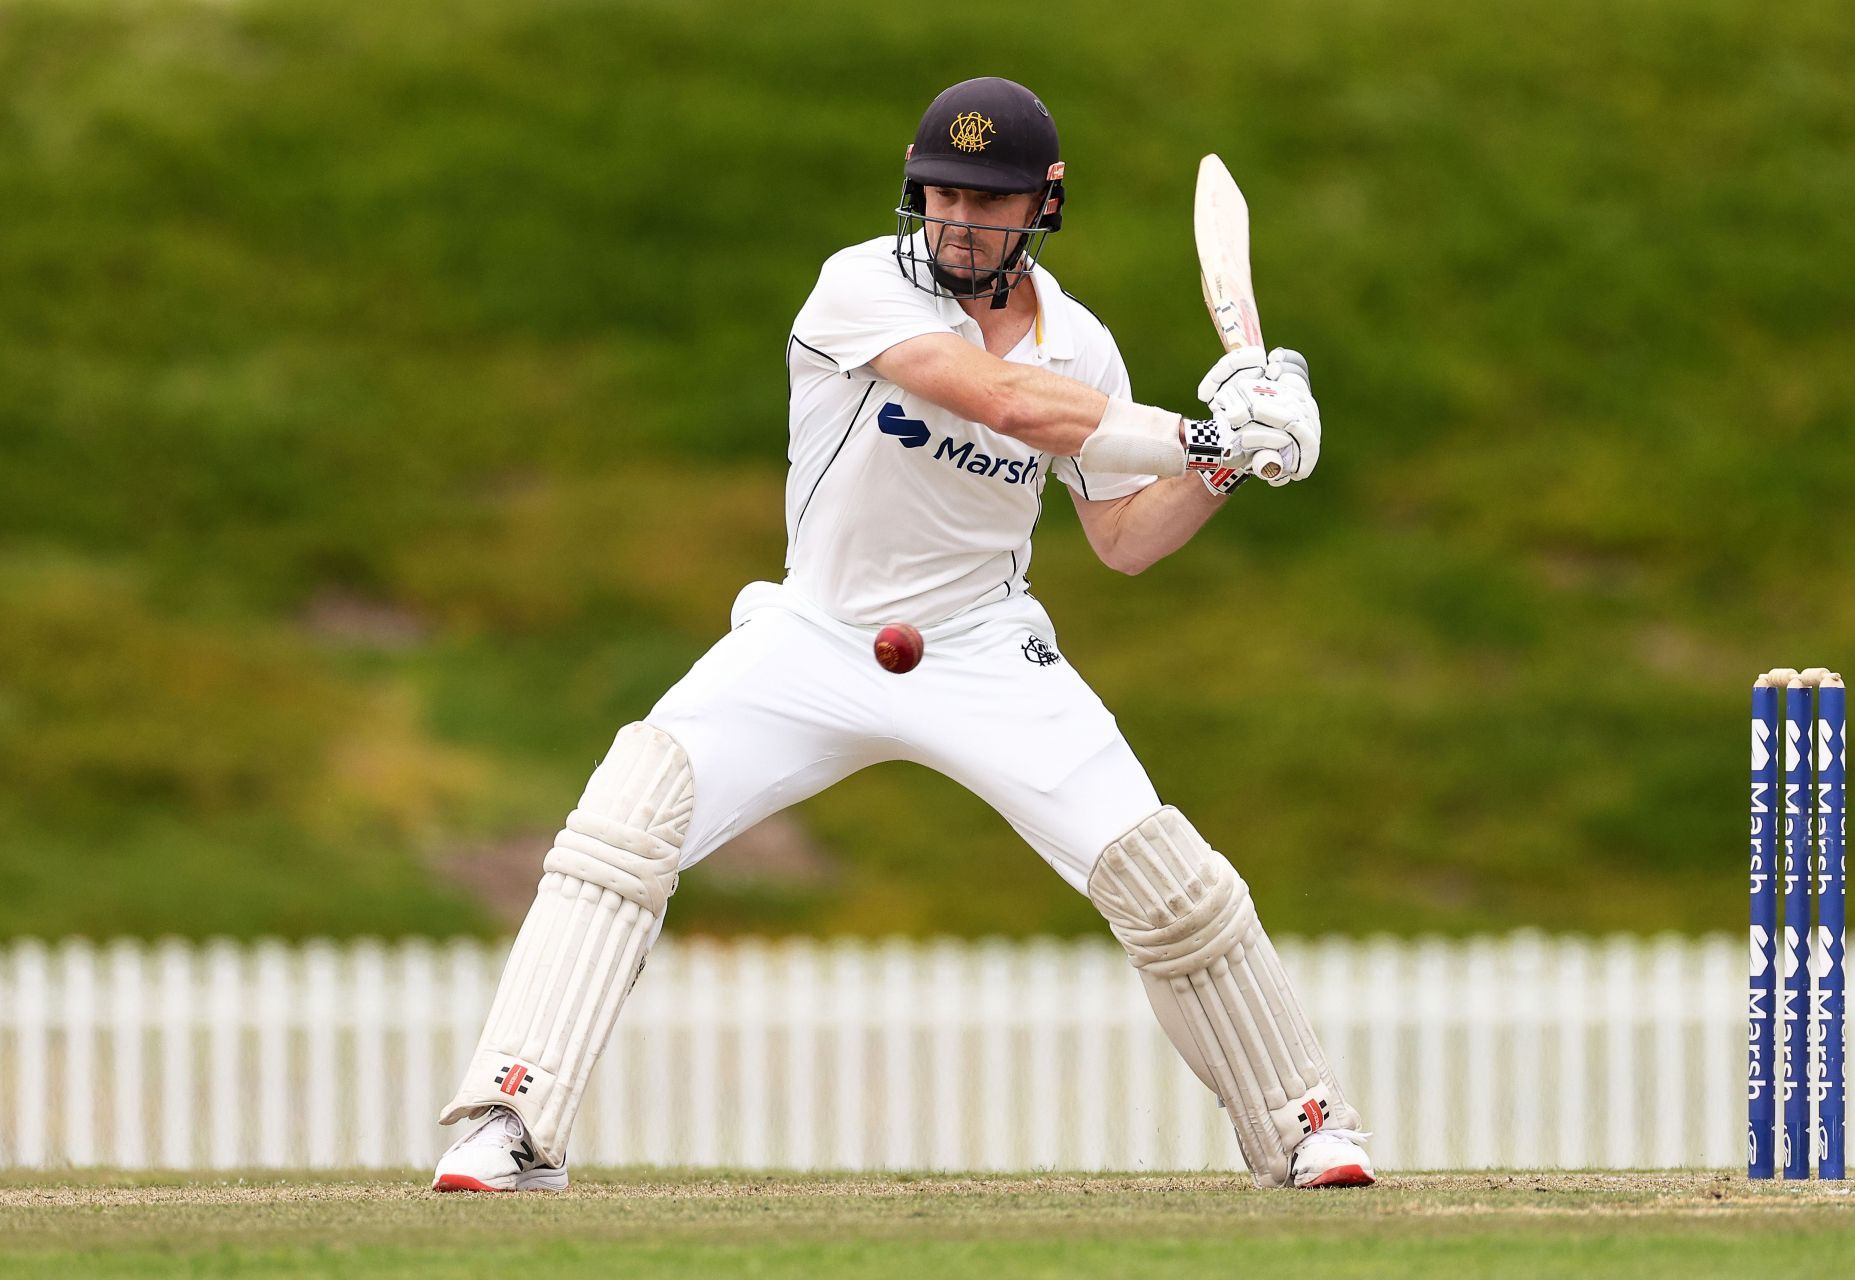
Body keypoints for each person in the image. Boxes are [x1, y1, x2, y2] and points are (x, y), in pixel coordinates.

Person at [431, 75, 1375, 1193]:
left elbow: (1122, 538)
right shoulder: (860, 286)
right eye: (941, 192)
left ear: (1044, 204)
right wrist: (1202, 427)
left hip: (982, 644)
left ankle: (1303, 1122)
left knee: (1168, 879)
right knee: (630, 813)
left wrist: (1225, 466)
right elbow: (999, 402)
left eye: (989, 199)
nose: (959, 220)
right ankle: (509, 1117)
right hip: (816, 630)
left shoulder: (1082, 347)